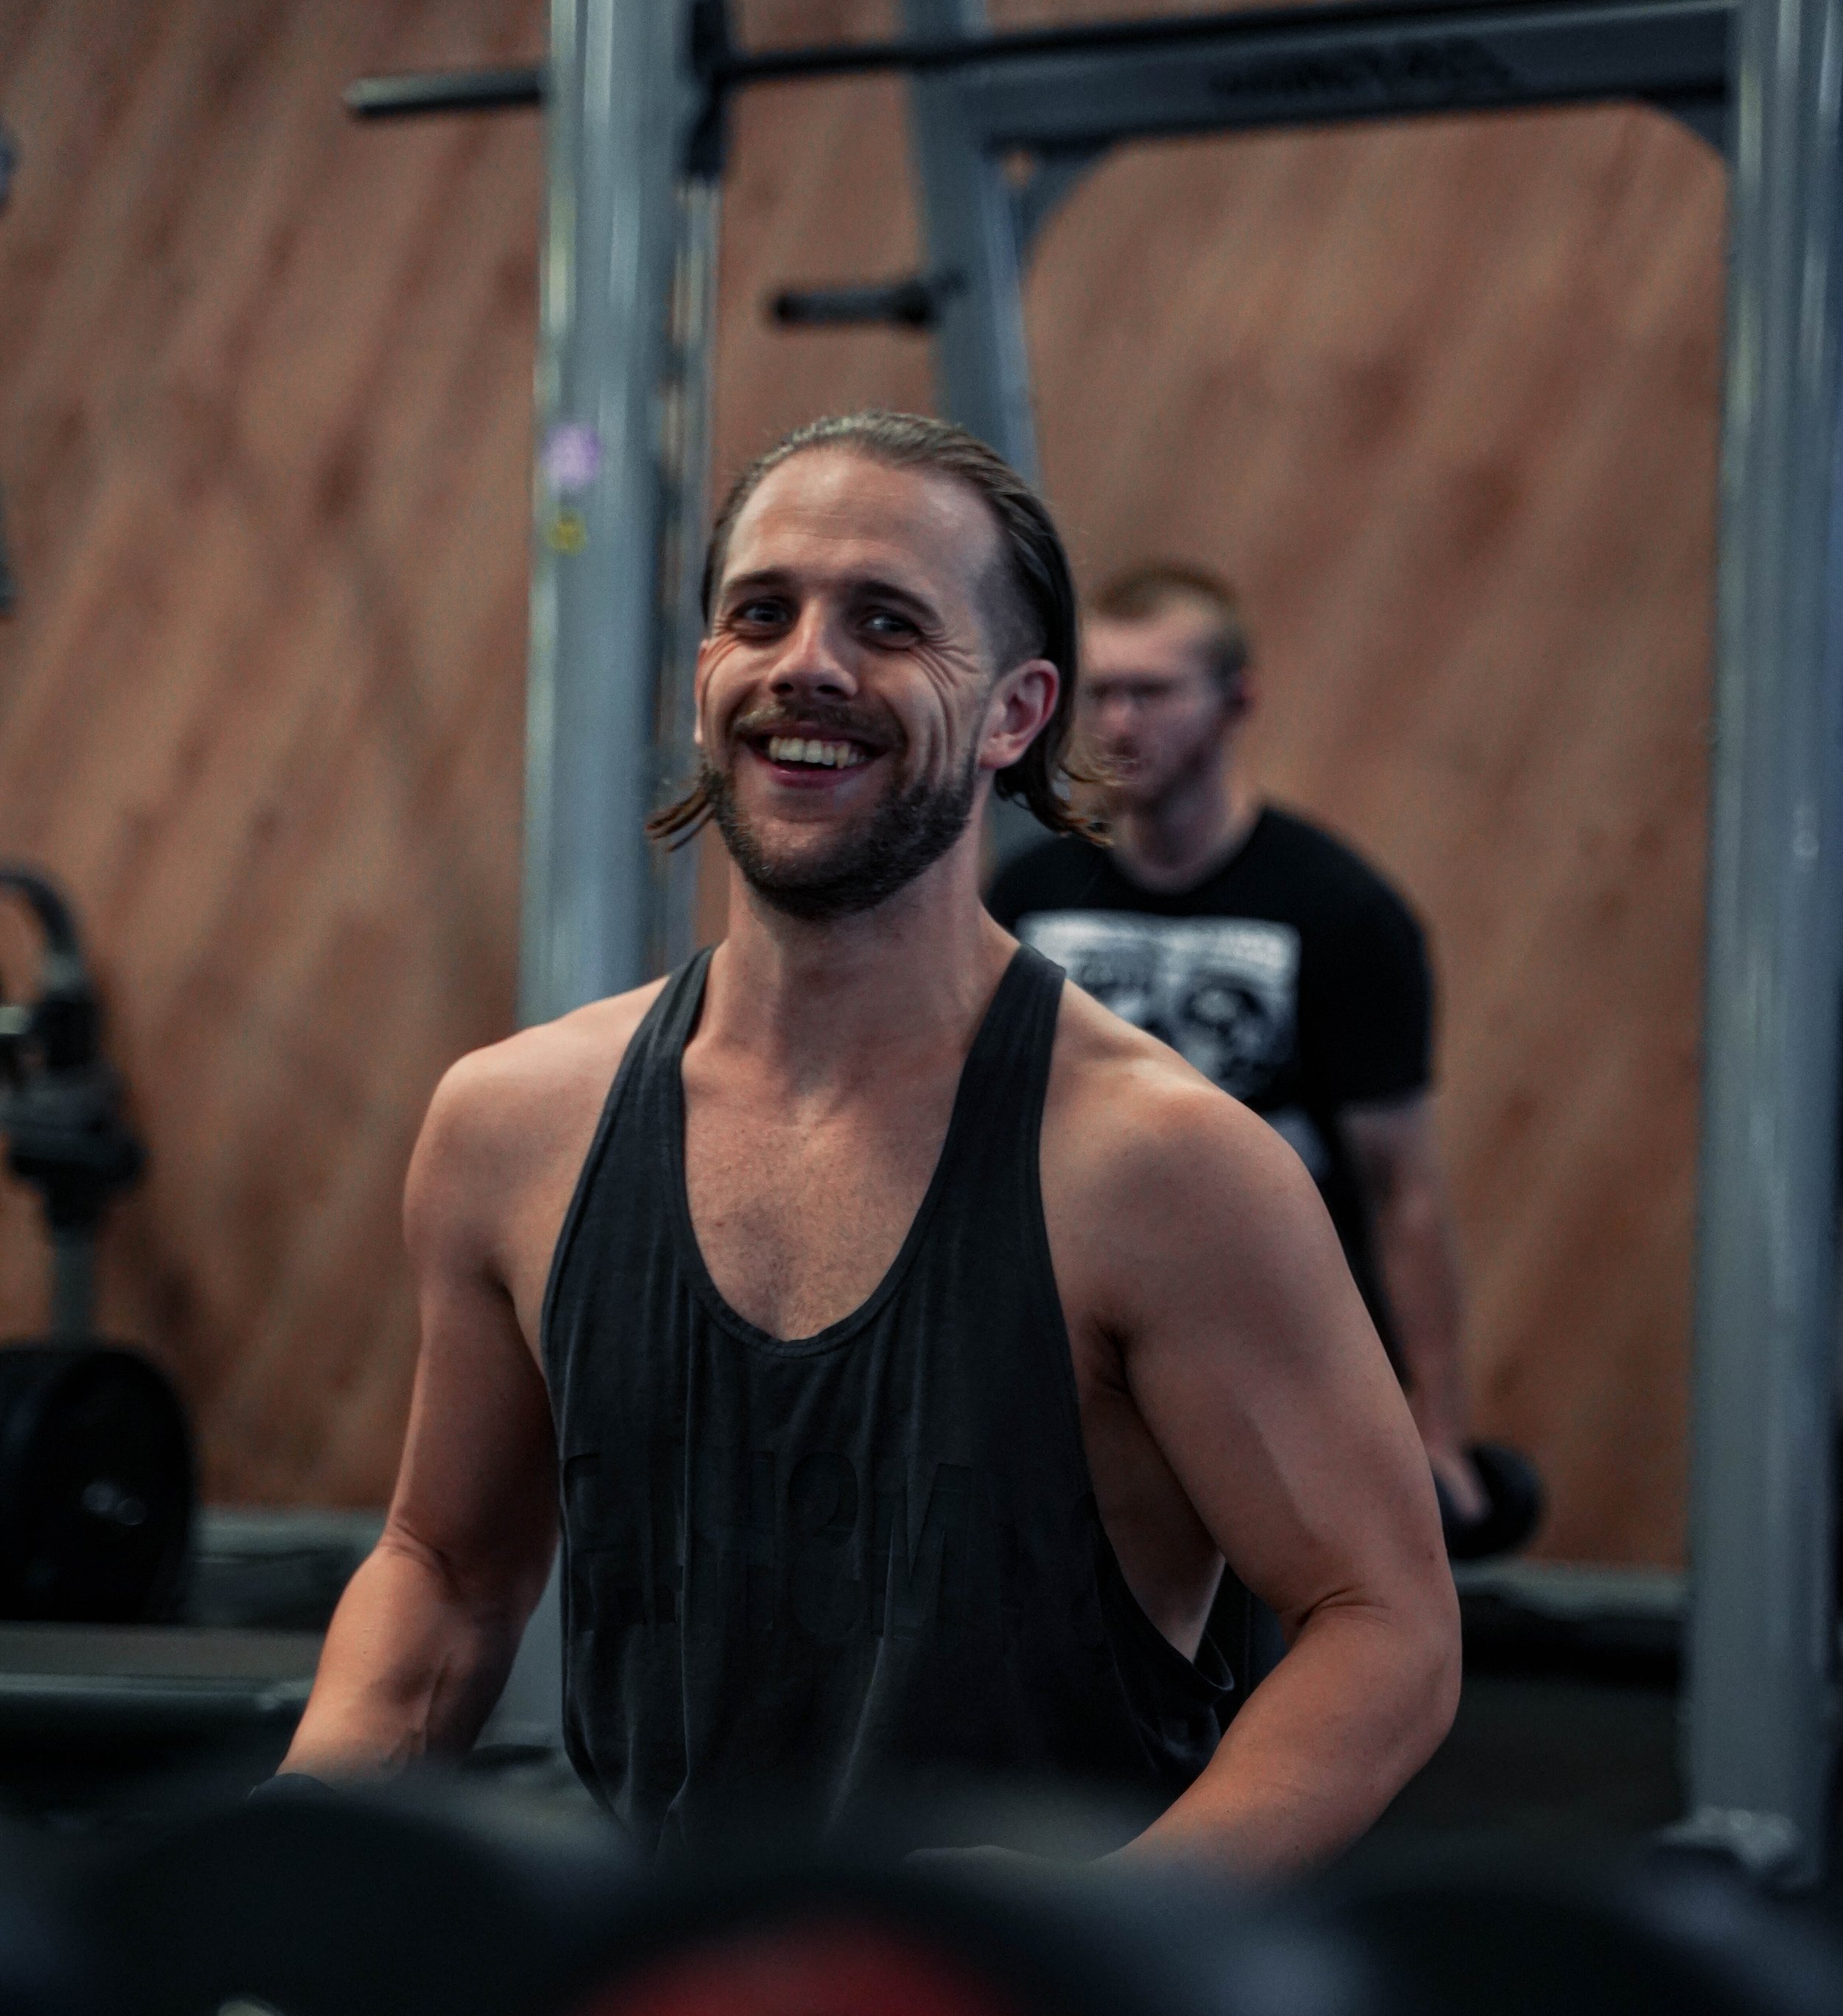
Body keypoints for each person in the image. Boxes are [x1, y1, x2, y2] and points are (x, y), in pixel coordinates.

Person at [278, 412, 1459, 1872]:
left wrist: (1100, 1939)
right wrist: (288, 1861)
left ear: (1019, 714)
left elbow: (1381, 1630)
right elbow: (445, 1572)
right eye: (758, 613)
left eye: (887, 623)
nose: (806, 664)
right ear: (707, 671)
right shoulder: (511, 1125)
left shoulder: (1160, 1167)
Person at [989, 566, 1487, 1528]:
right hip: (1075, 1359)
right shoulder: (1029, 900)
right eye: (1103, 692)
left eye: (1155, 691)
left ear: (1236, 701)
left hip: (1283, 1359)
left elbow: (1402, 1187)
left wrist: (1436, 1428)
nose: (1122, 723)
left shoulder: (1340, 912)